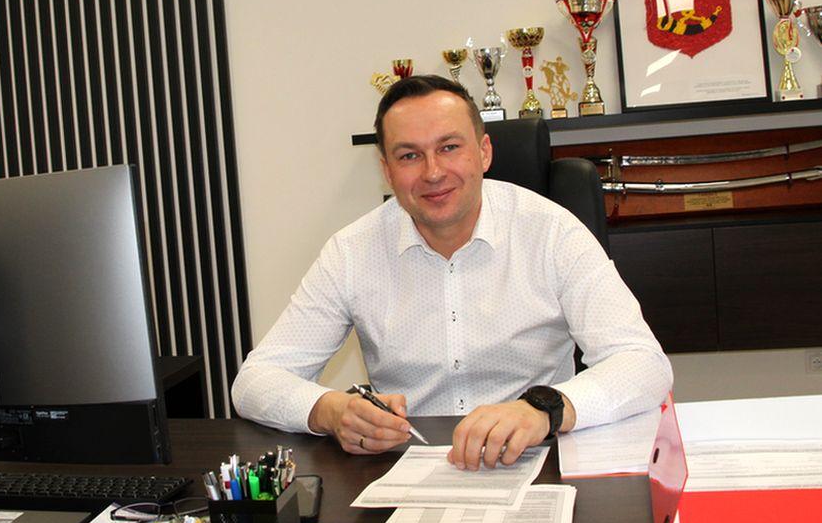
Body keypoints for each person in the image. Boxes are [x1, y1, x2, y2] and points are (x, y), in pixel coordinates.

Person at [231, 75, 672, 471]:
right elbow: (255, 381)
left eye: (449, 147)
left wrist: (544, 409)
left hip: (536, 461)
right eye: (409, 155)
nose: (433, 172)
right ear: (387, 171)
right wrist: (330, 411)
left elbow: (643, 364)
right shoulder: (352, 252)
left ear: (484, 152)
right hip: (406, 469)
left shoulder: (552, 232)